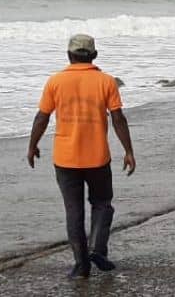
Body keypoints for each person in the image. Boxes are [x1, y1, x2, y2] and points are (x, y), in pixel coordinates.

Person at [26, 34, 136, 278]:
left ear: (69, 55)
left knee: (73, 210)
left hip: (65, 159)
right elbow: (118, 118)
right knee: (102, 203)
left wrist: (32, 146)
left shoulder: (55, 81)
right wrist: (128, 151)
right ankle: (97, 249)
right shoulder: (106, 81)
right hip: (97, 157)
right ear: (94, 55)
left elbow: (42, 117)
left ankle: (81, 264)